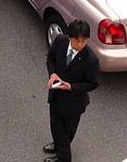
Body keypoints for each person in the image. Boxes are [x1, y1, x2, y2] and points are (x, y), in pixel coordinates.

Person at [44, 20, 99, 162]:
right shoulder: (60, 41)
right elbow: (50, 59)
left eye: (84, 41)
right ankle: (58, 145)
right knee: (56, 126)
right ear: (70, 37)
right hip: (56, 96)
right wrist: (52, 74)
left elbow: (92, 84)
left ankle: (63, 158)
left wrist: (71, 87)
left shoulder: (91, 60)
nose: (80, 45)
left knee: (67, 133)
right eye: (77, 41)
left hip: (74, 103)